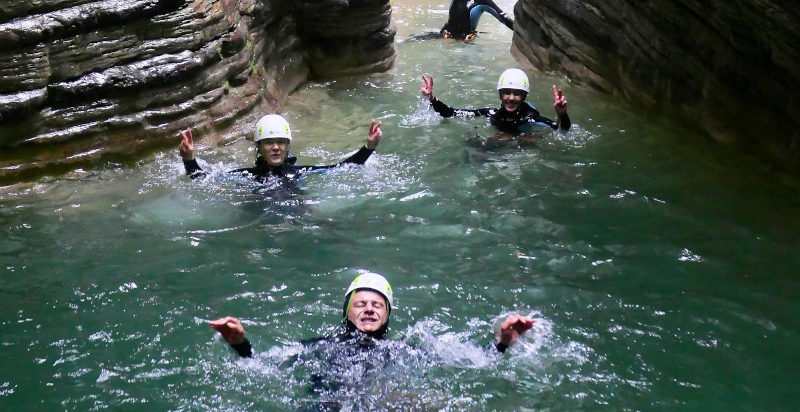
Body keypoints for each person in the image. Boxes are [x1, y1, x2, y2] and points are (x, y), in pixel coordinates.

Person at [209, 272, 535, 358]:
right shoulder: (320, 346)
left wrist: (504, 341)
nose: (368, 308)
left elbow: (476, 362)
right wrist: (240, 344)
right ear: (346, 312)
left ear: (387, 316)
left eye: (377, 305)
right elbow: (264, 365)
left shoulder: (405, 349)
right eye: (361, 304)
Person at [178, 115, 382, 183]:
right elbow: (202, 178)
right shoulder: (247, 177)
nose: (275, 147)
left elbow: (342, 167)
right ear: (259, 147)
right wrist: (189, 159)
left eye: (280, 142)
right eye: (268, 142)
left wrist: (368, 148)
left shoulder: (300, 173)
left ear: (287, 146)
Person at [420, 68, 571, 135]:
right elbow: (451, 113)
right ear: (500, 95)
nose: (511, 98)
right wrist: (432, 99)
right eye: (506, 93)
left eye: (517, 94)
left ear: (524, 97)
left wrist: (562, 114)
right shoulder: (491, 113)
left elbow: (561, 130)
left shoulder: (530, 118)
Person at [441, 0, 514, 41]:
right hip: (445, 33)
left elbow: (503, 17)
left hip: (466, 39)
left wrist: (521, 31)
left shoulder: (482, 1)